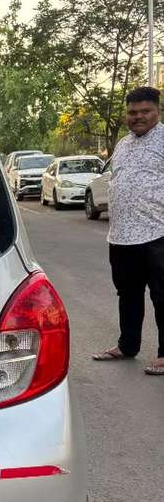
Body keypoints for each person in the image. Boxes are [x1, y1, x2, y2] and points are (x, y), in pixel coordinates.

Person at [93, 86, 164, 375]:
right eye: (132, 112)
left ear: (157, 111)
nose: (138, 117)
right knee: (128, 293)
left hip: (158, 233)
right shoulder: (122, 144)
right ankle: (127, 345)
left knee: (162, 295)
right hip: (122, 236)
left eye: (144, 111)